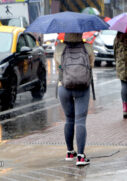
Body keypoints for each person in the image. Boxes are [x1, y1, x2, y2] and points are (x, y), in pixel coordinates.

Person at [54, 33, 94, 166]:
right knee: (80, 121)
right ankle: (81, 157)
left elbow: (58, 67)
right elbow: (91, 65)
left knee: (69, 119)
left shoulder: (59, 48)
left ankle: (70, 152)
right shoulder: (87, 47)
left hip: (63, 87)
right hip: (82, 87)